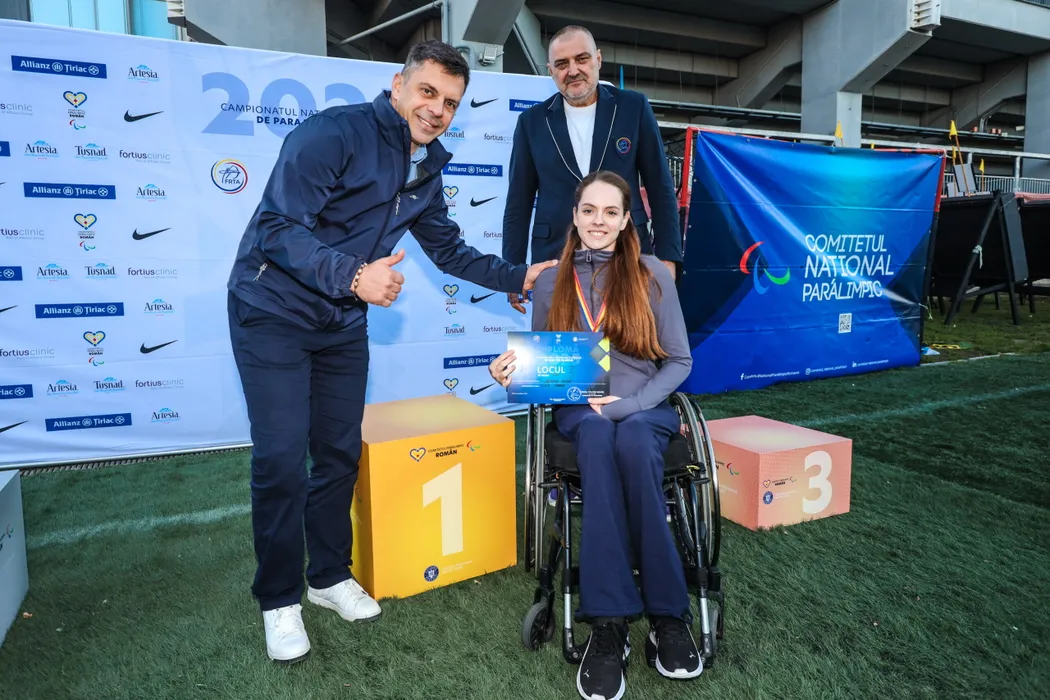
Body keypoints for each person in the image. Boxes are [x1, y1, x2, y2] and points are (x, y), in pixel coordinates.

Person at [225, 39, 557, 665]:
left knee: (338, 452)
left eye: (451, 102)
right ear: (399, 85)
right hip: (271, 312)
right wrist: (354, 275)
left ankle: (327, 576)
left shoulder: (426, 168)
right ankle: (279, 598)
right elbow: (276, 227)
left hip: (341, 321)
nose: (437, 110)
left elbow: (449, 249)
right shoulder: (333, 134)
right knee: (280, 459)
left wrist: (520, 277)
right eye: (428, 92)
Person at [488, 171, 701, 700]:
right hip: (580, 412)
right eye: (589, 210)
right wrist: (511, 372)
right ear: (575, 216)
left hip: (644, 407)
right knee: (599, 436)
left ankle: (667, 617)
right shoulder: (549, 281)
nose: (598, 221)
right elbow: (542, 366)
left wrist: (630, 405)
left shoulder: (653, 273)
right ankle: (609, 624)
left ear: (627, 220)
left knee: (631, 438)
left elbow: (679, 361)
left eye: (610, 212)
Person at [501, 24, 682, 315]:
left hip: (628, 253)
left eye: (581, 59)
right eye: (562, 64)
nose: (573, 70)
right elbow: (518, 204)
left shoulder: (633, 108)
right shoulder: (531, 122)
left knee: (631, 339)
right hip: (555, 258)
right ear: (550, 71)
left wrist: (668, 258)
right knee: (561, 342)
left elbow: (660, 186)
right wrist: (513, 271)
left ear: (598, 59)